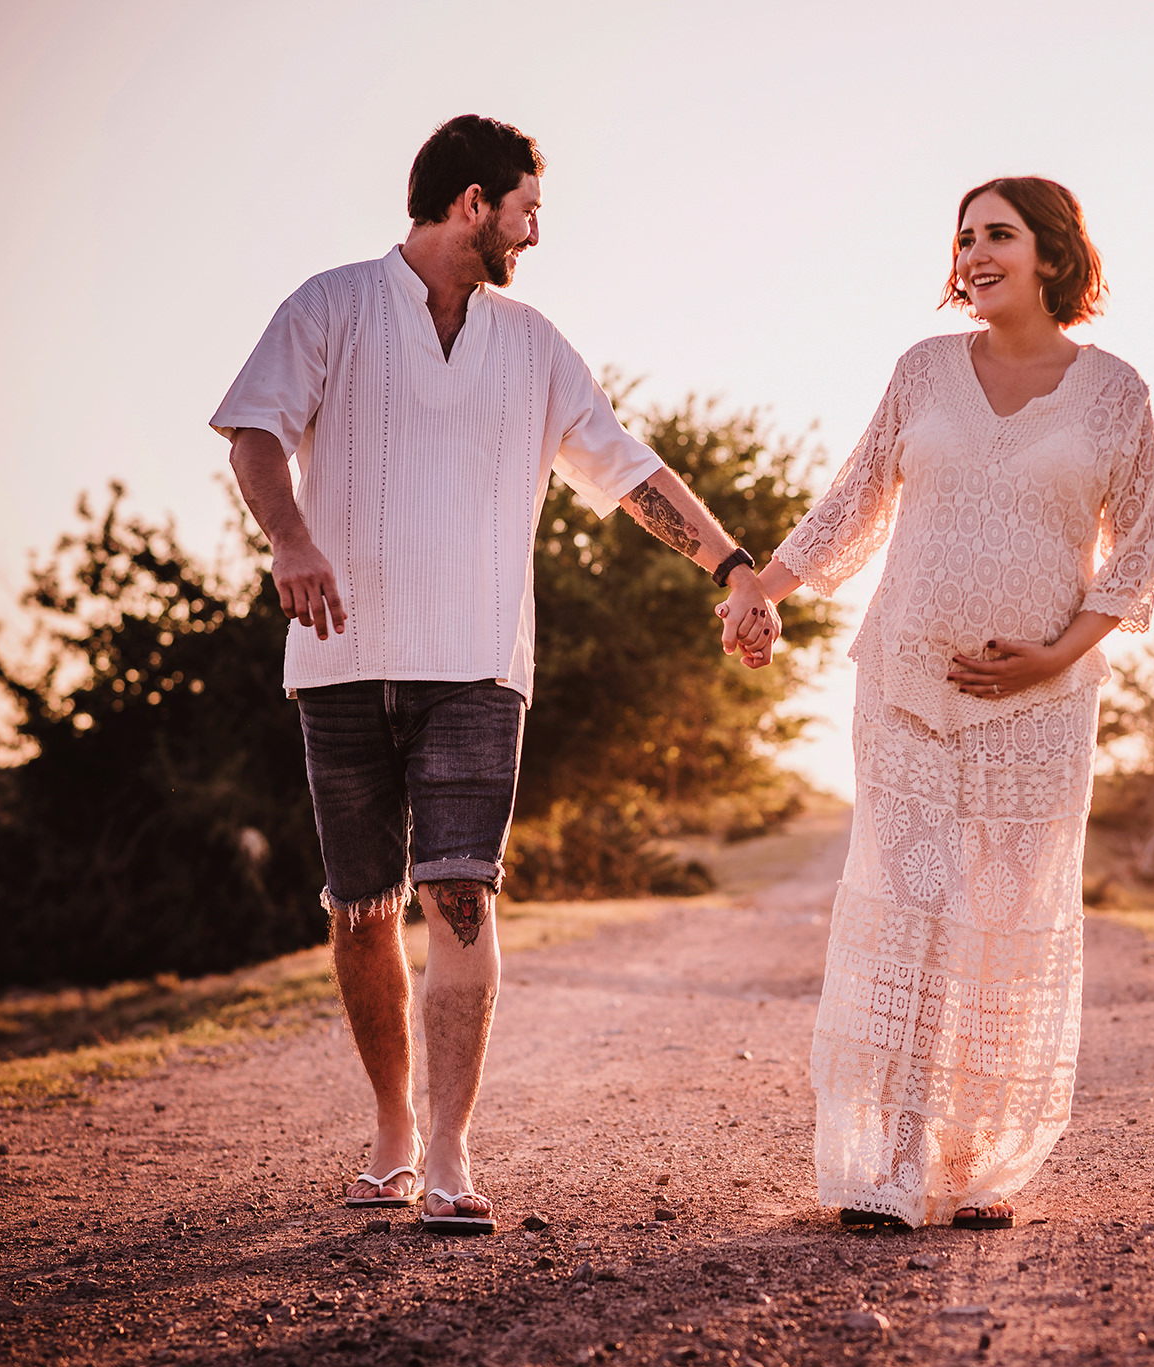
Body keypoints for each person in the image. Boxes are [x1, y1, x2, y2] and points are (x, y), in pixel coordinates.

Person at [211, 115, 779, 1235]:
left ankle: (450, 1149)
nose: (533, 231)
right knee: (361, 906)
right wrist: (290, 539)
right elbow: (254, 435)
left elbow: (624, 468)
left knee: (459, 893)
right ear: (473, 201)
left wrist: (733, 563)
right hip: (338, 660)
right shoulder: (328, 304)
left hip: (476, 664)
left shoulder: (533, 343)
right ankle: (390, 1132)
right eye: (526, 209)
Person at [733, 177, 1154, 1230]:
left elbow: (1138, 552)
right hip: (906, 684)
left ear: (1051, 256)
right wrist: (761, 589)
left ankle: (971, 1162)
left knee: (999, 915)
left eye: (996, 235)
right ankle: (886, 1161)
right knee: (914, 907)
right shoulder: (922, 371)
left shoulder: (1114, 393)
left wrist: (1051, 656)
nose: (972, 252)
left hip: (1040, 703)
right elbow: (855, 498)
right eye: (963, 237)